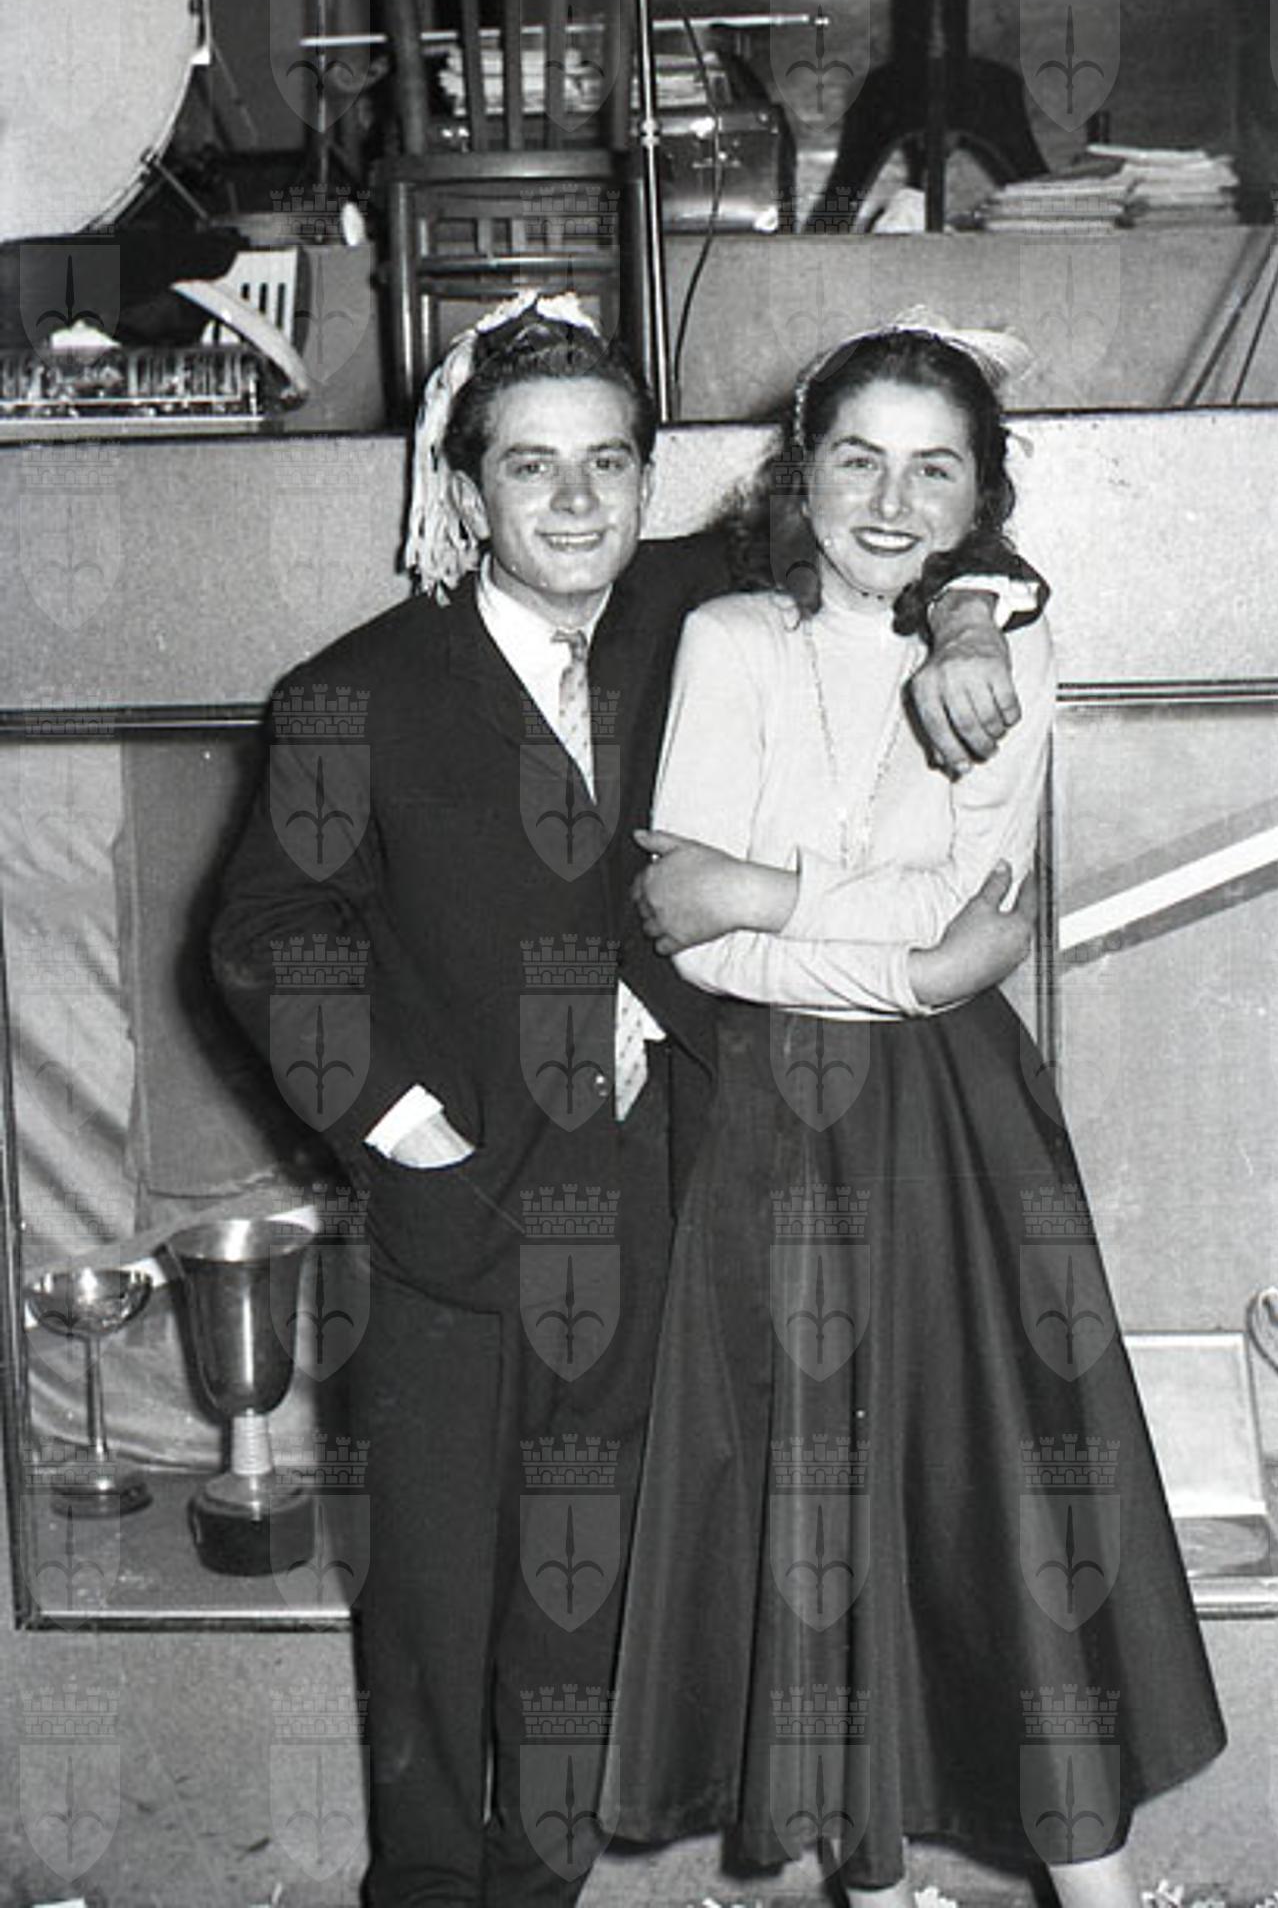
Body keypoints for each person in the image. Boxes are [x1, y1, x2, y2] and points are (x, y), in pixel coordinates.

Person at [209, 292, 1048, 1908]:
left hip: (673, 1191)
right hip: (453, 1216)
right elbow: (259, 934)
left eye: (608, 461)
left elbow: (917, 527)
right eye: (532, 466)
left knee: (581, 1614)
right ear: (466, 491)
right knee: (435, 1619)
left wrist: (964, 625)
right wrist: (405, 1134)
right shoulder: (349, 693)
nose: (576, 498)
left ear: (650, 481)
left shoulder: (693, 615)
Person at [604, 315, 1227, 1905]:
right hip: (767, 1123)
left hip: (953, 1131)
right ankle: (872, 1886)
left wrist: (774, 890)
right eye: (857, 460)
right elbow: (690, 928)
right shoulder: (727, 640)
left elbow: (968, 923)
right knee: (812, 1499)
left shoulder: (1004, 644)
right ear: (799, 472)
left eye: (933, 469)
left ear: (980, 496)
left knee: (1003, 1496)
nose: (889, 503)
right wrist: (891, 948)